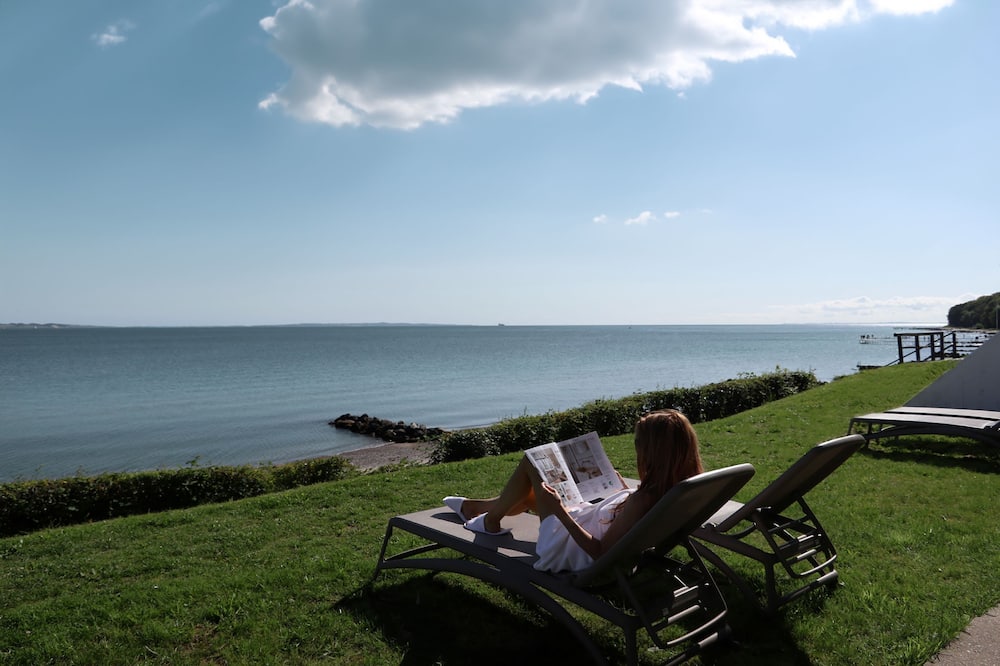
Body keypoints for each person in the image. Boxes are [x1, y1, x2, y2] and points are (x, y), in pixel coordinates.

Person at [443, 409, 704, 572]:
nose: (636, 449)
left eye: (638, 443)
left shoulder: (645, 499)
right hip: (591, 523)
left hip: (566, 551)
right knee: (533, 492)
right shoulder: (678, 488)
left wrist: (559, 511)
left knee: (532, 462)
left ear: (654, 452)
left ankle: (489, 519)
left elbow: (600, 552)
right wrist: (622, 489)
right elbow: (633, 518)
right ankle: (480, 509)